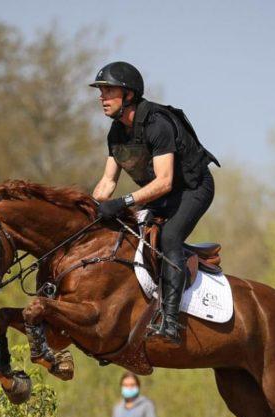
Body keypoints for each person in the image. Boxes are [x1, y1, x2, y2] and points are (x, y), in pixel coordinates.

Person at [89, 61, 220, 345]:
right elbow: (107, 182)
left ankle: (172, 322)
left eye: (108, 91)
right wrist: (88, 210)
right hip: (164, 193)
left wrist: (122, 201)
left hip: (193, 189)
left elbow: (165, 181)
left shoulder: (157, 124)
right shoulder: (116, 133)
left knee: (169, 237)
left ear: (128, 95)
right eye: (100, 91)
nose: (101, 97)